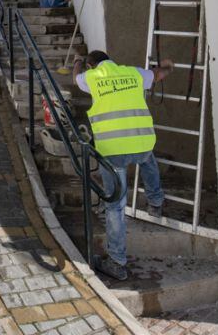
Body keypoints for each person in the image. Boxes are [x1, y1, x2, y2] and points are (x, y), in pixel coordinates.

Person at [72, 50, 174, 281]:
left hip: (113, 151)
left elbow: (75, 79)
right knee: (148, 161)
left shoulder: (92, 77)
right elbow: (157, 75)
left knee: (116, 206)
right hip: (141, 142)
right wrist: (167, 66)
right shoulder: (132, 73)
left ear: (91, 65)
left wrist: (77, 61)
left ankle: (117, 262)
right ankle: (156, 203)